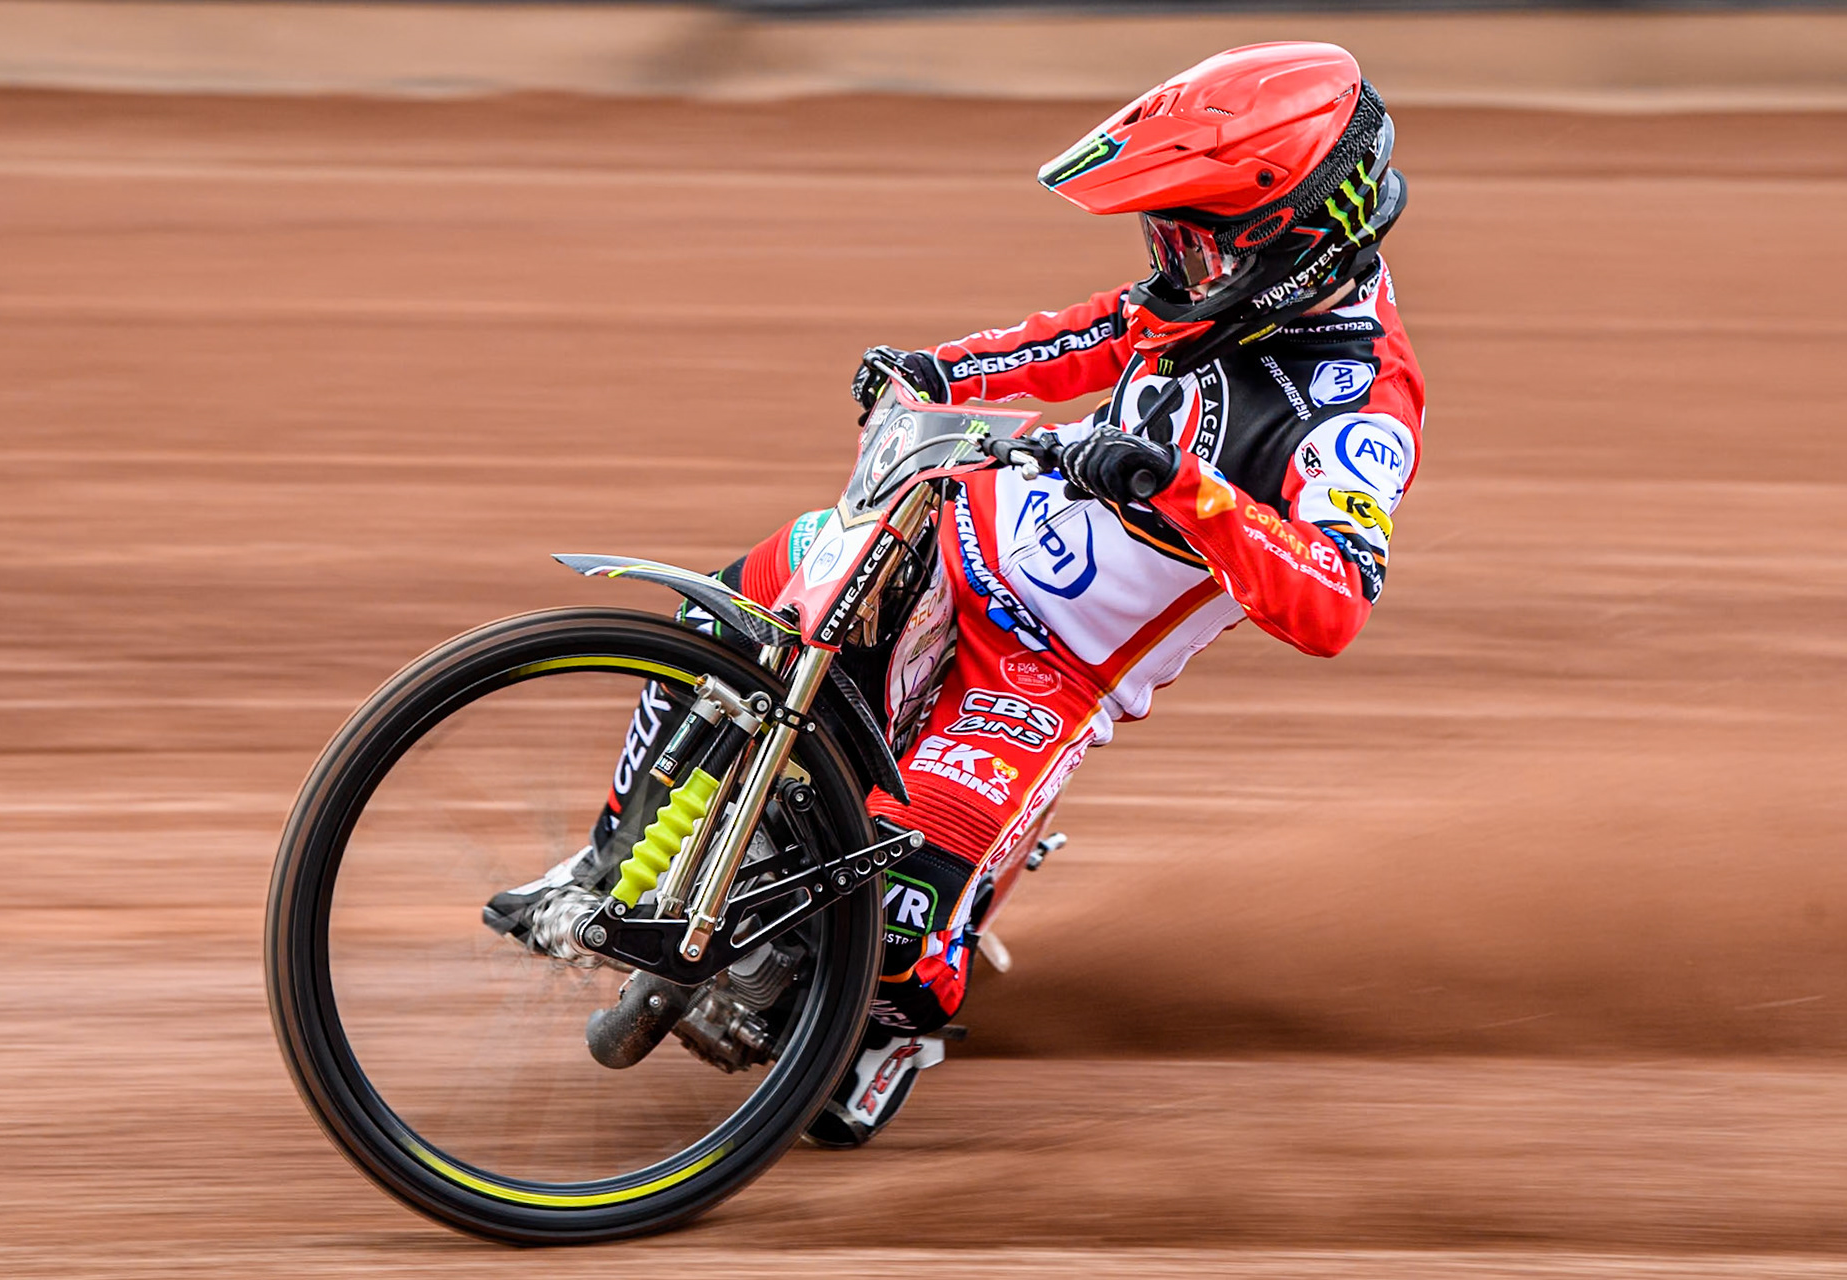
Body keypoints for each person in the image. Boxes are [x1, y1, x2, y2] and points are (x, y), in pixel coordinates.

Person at [491, 40, 1424, 1148]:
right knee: (725, 618)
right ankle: (610, 853)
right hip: (946, 539)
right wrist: (938, 370)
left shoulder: (1360, 408)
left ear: (1299, 242)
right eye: (1162, 236)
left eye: (1196, 245)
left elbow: (1334, 602)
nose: (1171, 268)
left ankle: (889, 1026)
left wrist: (1182, 488)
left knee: (894, 930)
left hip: (1047, 668)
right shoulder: (1207, 298)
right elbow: (1098, 328)